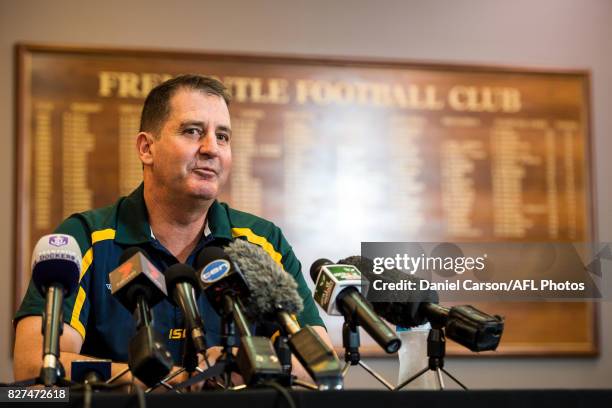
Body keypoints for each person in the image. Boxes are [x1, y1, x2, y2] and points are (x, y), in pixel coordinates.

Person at [13, 74, 332, 386]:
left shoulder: (262, 242)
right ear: (146, 148)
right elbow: (33, 365)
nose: (212, 148)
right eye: (193, 132)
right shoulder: (86, 238)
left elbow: (321, 364)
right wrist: (160, 378)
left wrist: (243, 363)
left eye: (223, 136)